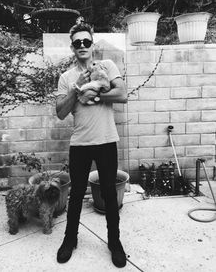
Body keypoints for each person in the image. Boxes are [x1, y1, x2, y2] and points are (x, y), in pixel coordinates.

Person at [55, 23, 128, 268]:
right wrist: (78, 88)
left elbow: (122, 95)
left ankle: (114, 242)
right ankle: (69, 239)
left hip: (106, 140)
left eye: (87, 42)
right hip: (80, 144)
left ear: (92, 44)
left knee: (109, 193)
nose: (83, 46)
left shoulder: (107, 66)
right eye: (78, 43)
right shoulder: (66, 77)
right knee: (76, 195)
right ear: (72, 47)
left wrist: (96, 96)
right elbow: (60, 112)